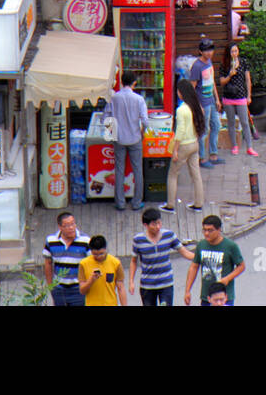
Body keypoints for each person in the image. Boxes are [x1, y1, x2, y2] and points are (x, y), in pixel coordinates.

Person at [131, 206, 196, 306]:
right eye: (154, 224)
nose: (158, 227)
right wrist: (131, 281)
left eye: (159, 223)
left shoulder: (169, 235)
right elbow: (134, 261)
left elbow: (184, 252)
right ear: (145, 225)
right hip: (147, 285)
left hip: (166, 283)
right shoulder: (138, 240)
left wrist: (199, 257)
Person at [161, 78, 206, 214]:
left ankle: (170, 205)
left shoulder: (181, 110)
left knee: (173, 174)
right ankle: (198, 204)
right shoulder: (196, 106)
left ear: (181, 93)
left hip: (184, 146)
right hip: (194, 144)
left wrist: (175, 150)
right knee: (196, 175)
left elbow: (179, 131)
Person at [106, 72, 147, 211]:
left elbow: (106, 117)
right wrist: (142, 132)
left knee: (119, 170)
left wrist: (111, 134)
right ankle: (137, 202)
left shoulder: (114, 98)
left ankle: (120, 202)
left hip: (119, 138)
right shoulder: (139, 99)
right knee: (138, 170)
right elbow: (145, 121)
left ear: (121, 82)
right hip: (135, 138)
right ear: (134, 83)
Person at [183, 215, 245, 306]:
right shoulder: (201, 245)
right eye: (204, 230)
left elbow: (241, 266)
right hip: (207, 296)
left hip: (224, 297)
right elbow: (194, 267)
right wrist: (187, 290)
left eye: (210, 230)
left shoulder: (231, 246)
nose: (206, 233)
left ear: (219, 229)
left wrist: (227, 279)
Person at [43, 211, 91, 306]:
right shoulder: (51, 241)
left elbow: (92, 263)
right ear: (60, 227)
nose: (71, 228)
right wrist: (50, 286)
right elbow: (48, 263)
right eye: (67, 225)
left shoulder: (85, 240)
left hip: (78, 289)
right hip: (59, 289)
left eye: (73, 224)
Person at [218, 44, 258, 157]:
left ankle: (249, 147)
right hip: (228, 97)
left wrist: (249, 95)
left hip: (240, 96)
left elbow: (247, 79)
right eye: (232, 52)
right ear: (228, 53)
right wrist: (230, 75)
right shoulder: (224, 65)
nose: (234, 54)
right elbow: (221, 82)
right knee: (231, 122)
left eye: (236, 51)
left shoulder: (243, 62)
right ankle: (234, 145)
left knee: (245, 122)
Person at [191, 38, 224, 167]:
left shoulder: (209, 62)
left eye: (211, 50)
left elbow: (211, 81)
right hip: (203, 103)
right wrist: (198, 106)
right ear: (200, 51)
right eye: (206, 50)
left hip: (211, 100)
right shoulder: (197, 66)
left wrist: (217, 98)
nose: (209, 53)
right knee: (203, 131)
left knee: (216, 126)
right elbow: (192, 89)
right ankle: (202, 158)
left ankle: (213, 155)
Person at [79, 235, 127, 306]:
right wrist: (91, 280)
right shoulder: (84, 264)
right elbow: (82, 291)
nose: (99, 257)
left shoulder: (116, 263)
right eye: (95, 254)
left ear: (105, 249)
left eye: (101, 253)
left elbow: (121, 288)